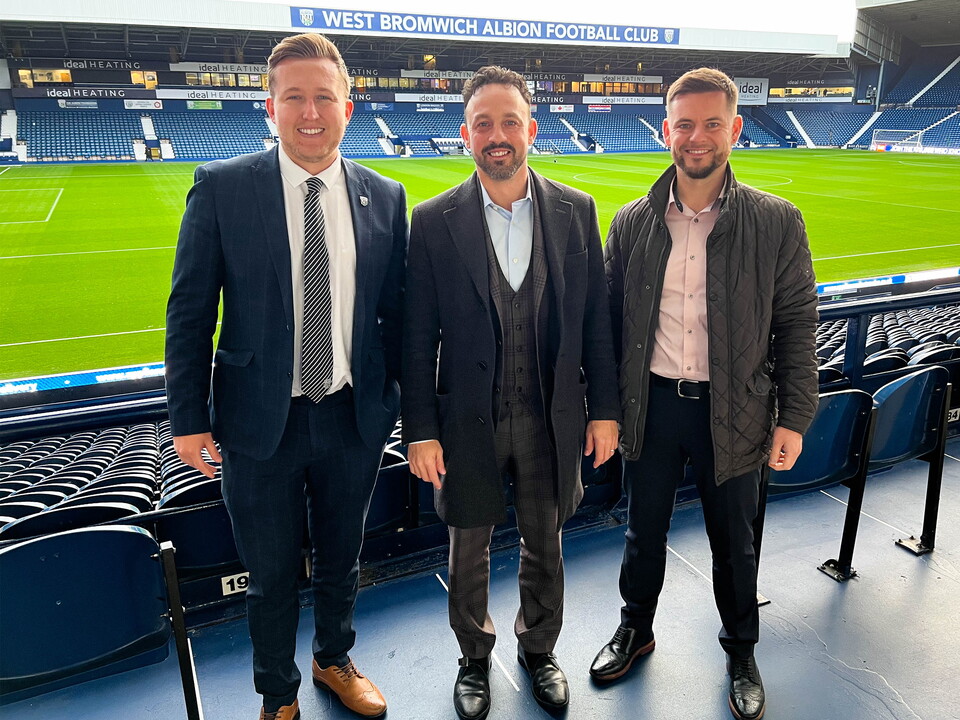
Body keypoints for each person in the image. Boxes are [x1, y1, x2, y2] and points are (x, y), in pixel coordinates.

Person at [165, 32, 407, 720]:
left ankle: (334, 660)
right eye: (293, 97)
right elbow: (189, 311)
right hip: (257, 421)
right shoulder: (222, 188)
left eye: (323, 97)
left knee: (343, 556)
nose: (310, 112)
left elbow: (397, 315)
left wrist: (392, 405)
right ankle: (278, 693)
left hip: (352, 417)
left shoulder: (385, 196)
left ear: (348, 107)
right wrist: (188, 417)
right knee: (269, 575)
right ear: (269, 106)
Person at [592, 67, 818, 720]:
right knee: (642, 531)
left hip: (739, 409)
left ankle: (741, 650)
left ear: (735, 130)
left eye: (711, 123)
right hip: (654, 406)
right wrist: (604, 411)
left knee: (735, 543)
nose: (696, 137)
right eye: (684, 124)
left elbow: (798, 322)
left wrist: (794, 416)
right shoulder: (632, 221)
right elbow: (607, 327)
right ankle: (636, 628)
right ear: (666, 131)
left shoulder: (777, 221)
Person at [401, 66, 620, 720]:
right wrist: (420, 428)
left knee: (545, 540)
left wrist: (604, 410)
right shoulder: (433, 221)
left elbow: (595, 324)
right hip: (467, 421)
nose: (498, 136)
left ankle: (538, 649)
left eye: (510, 122)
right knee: (467, 546)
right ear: (466, 133)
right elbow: (416, 338)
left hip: (551, 415)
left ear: (532, 128)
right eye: (484, 124)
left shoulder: (576, 210)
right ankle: (473, 658)